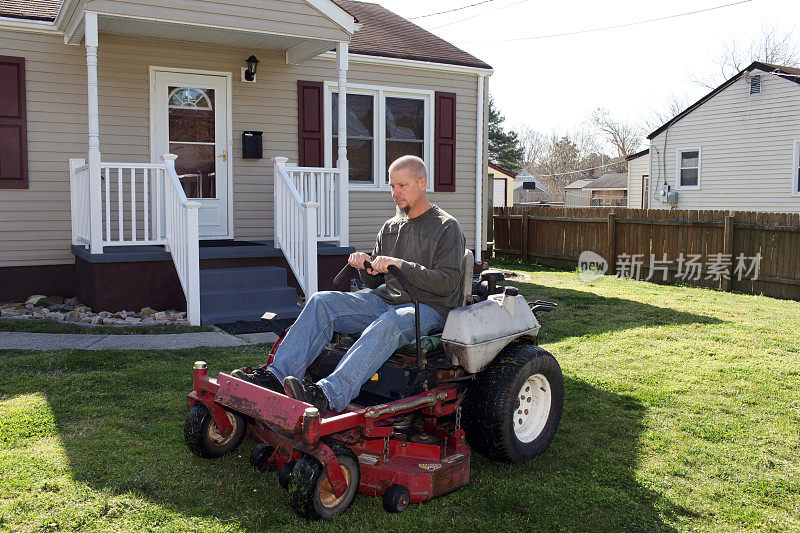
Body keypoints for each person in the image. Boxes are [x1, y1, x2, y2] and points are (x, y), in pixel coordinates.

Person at [233, 155, 466, 414]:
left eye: (402, 186)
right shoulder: (390, 227)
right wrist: (365, 265)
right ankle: (276, 377)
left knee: (392, 321)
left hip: (430, 309)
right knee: (323, 301)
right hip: (386, 300)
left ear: (422, 184)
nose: (395, 192)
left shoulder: (447, 227)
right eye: (391, 186)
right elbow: (374, 281)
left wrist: (401, 265)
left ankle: (327, 394)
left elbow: (446, 283)